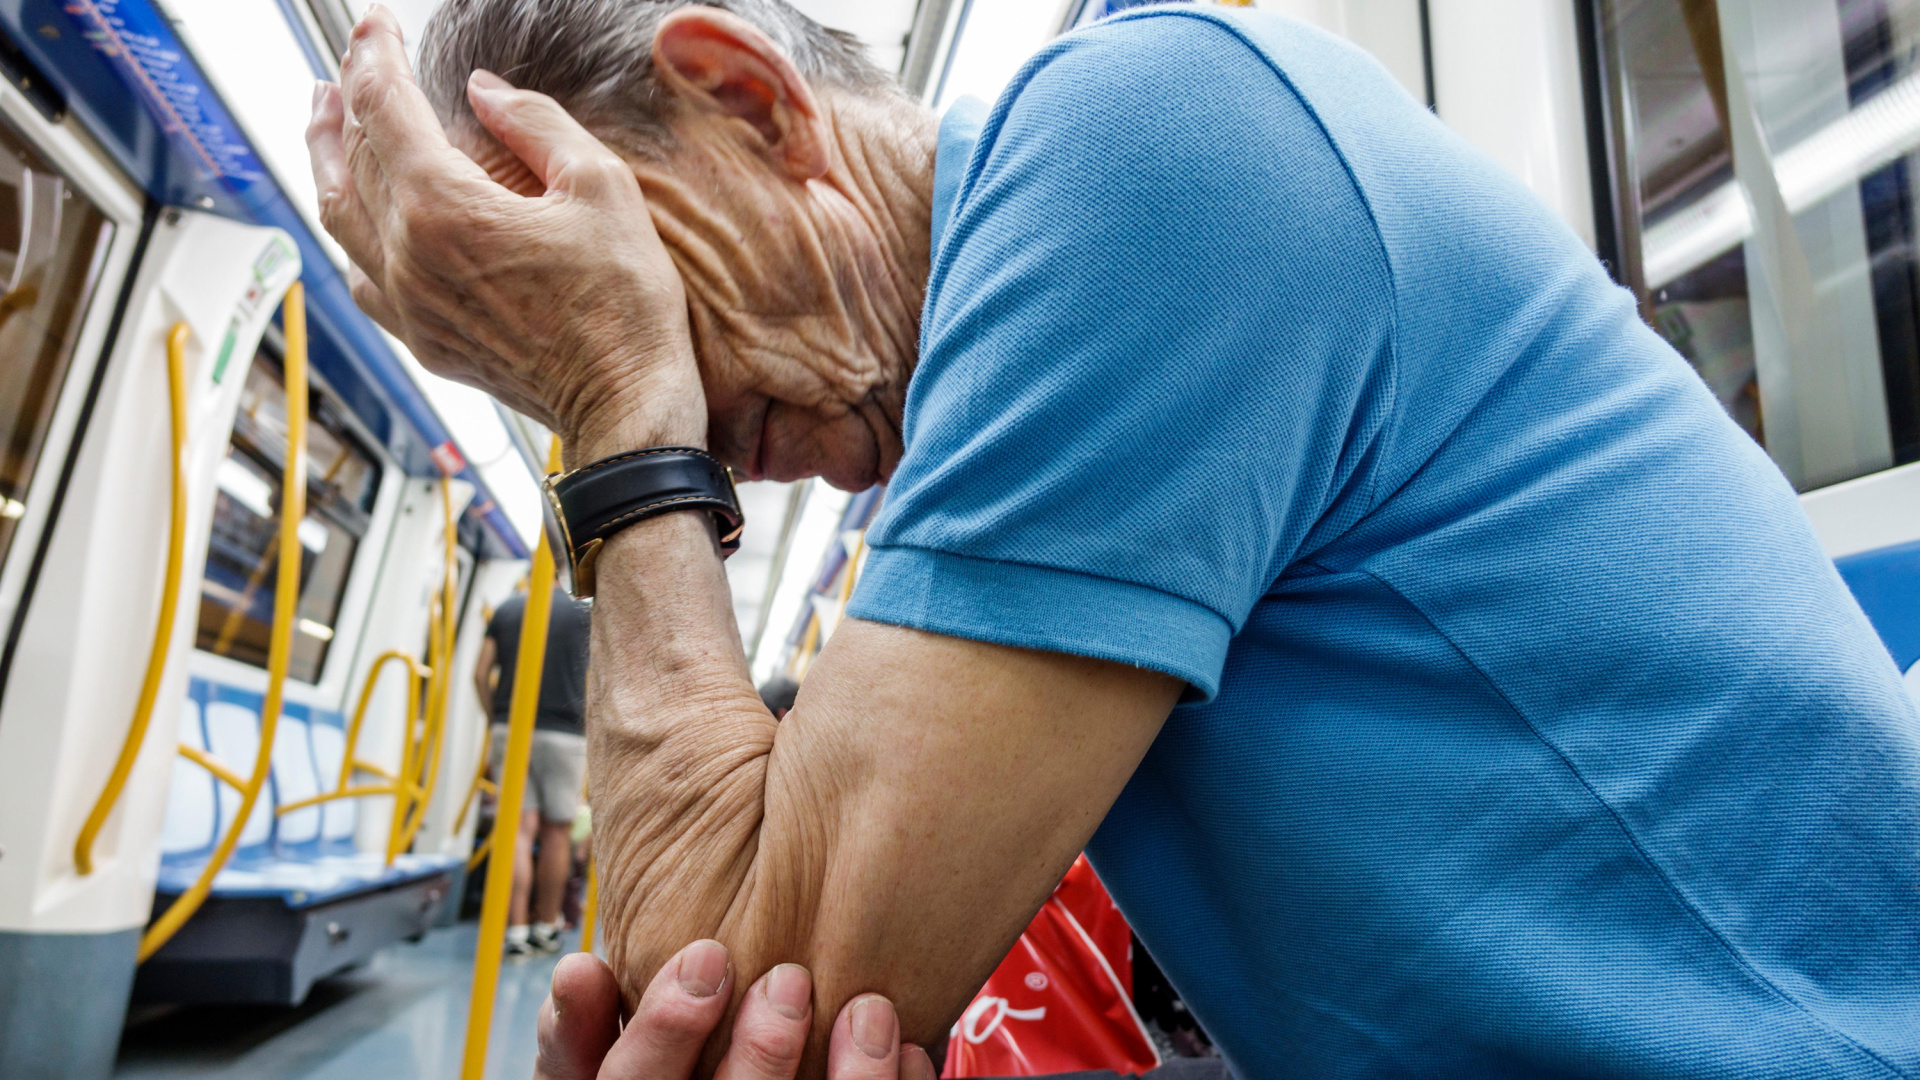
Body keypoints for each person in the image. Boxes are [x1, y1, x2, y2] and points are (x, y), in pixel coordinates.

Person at [309, 1, 1920, 1076]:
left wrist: (610, 396)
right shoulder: (978, 427)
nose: (709, 421)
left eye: (632, 288)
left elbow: (728, 976)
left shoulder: (1139, 145)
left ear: (750, 97)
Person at [473, 582, 594, 956]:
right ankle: (545, 927)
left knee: (518, 831)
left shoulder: (507, 608)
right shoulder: (587, 614)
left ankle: (515, 930)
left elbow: (480, 674)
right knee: (558, 833)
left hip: (512, 728)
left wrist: (497, 719)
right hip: (566, 734)